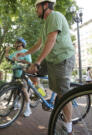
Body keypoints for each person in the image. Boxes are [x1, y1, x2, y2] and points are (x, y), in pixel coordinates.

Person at [17, 0, 75, 134]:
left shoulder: (54, 16)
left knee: (63, 94)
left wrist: (37, 61)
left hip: (62, 58)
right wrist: (25, 53)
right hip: (50, 60)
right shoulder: (45, 24)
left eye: (36, 7)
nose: (35, 10)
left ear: (45, 5)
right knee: (30, 72)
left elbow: (51, 40)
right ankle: (41, 93)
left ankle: (68, 128)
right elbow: (39, 43)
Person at [5, 37, 32, 117]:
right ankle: (16, 104)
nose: (15, 43)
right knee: (14, 90)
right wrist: (7, 50)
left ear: (21, 43)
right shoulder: (14, 52)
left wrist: (19, 60)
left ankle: (28, 109)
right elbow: (7, 58)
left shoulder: (26, 51)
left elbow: (29, 63)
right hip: (15, 74)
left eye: (17, 42)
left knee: (24, 90)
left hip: (23, 74)